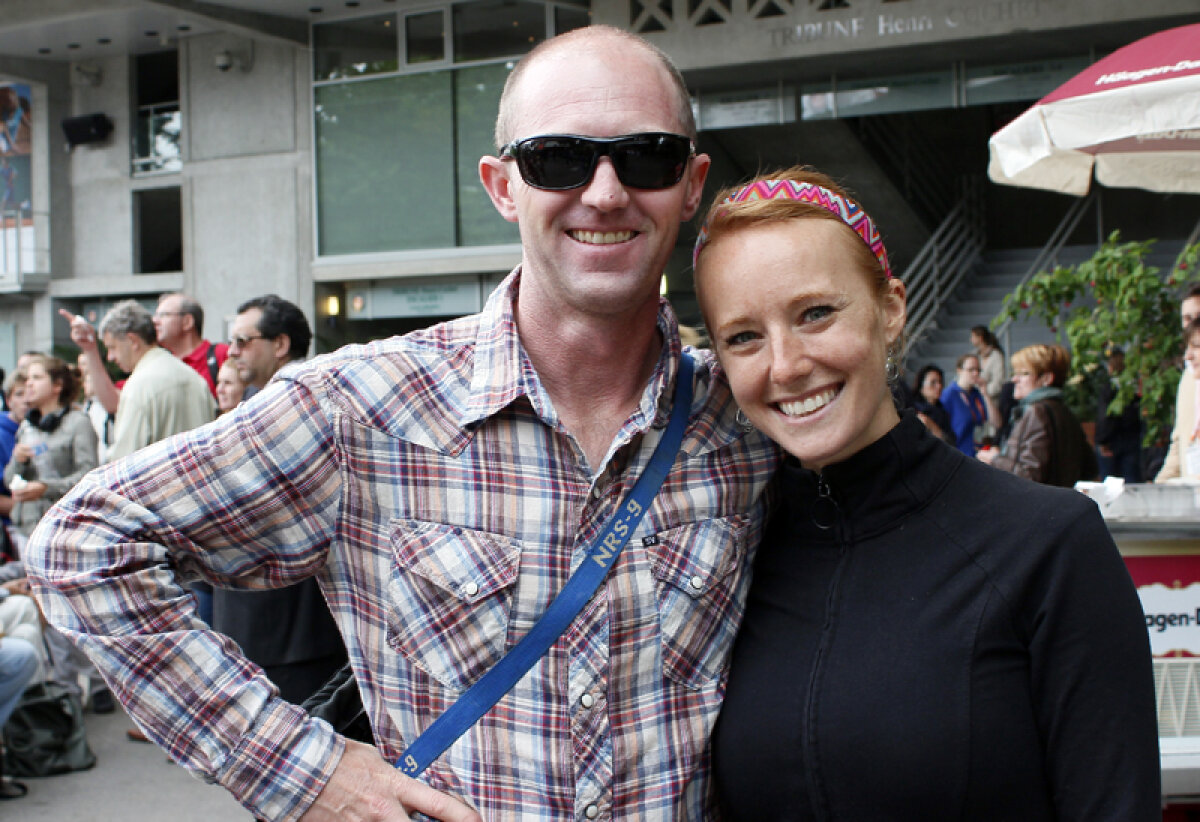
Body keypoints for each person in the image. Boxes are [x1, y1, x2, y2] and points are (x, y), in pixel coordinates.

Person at [25, 25, 778, 821]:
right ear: (501, 186)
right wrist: (302, 770)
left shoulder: (745, 423)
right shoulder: (363, 405)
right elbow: (82, 546)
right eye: (556, 158)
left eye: (646, 156)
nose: (603, 192)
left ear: (692, 185)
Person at [692, 166, 1159, 820]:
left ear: (891, 309)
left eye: (816, 313)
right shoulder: (724, 560)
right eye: (744, 336)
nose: (787, 364)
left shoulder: (1049, 546)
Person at [211, 295, 347, 708]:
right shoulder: (266, 404)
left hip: (288, 624)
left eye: (242, 339)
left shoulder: (296, 404)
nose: (230, 351)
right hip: (279, 622)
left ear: (280, 344)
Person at [977, 344, 1099, 486]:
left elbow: (1030, 478)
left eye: (1024, 373)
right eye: (1015, 373)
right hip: (1060, 501)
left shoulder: (1037, 412)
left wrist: (995, 459)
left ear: (1046, 378)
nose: (1014, 379)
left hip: (1037, 505)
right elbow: (1090, 468)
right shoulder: (1063, 410)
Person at [1156, 284, 1200, 483]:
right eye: (1186, 318)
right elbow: (1179, 440)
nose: (1190, 324)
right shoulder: (1188, 378)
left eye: (1196, 316)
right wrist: (1160, 486)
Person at [153, 292, 229, 399]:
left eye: (163, 315)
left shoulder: (222, 354)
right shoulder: (159, 365)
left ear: (187, 322)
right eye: (155, 315)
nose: (155, 321)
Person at [1094, 345, 1142, 483]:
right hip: (1132, 439)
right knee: (1131, 482)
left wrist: (1102, 440)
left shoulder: (1110, 388)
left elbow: (1105, 417)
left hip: (1112, 442)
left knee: (1110, 485)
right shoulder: (1134, 388)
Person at [940, 352, 997, 456]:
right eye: (971, 370)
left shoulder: (978, 393)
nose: (975, 373)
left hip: (980, 453)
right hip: (959, 454)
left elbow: (997, 423)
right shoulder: (948, 395)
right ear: (959, 370)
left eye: (978, 370)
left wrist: (986, 394)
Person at [910, 363, 953, 443]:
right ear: (921, 386)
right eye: (933, 382)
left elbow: (951, 443)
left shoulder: (943, 413)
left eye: (940, 382)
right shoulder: (912, 411)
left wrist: (933, 427)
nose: (939, 386)